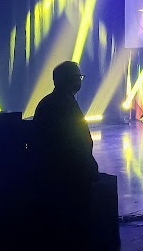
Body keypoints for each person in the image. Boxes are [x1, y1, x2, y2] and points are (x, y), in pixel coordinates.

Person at [32, 61, 119, 247]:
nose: (80, 81)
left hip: (51, 172)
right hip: (69, 174)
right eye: (78, 77)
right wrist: (90, 167)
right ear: (70, 80)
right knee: (75, 221)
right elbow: (78, 141)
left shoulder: (47, 102)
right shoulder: (66, 105)